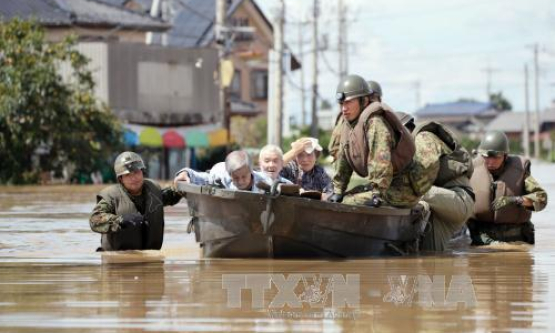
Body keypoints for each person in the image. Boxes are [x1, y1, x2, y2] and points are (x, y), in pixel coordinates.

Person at [328, 74, 419, 208]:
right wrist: (338, 191)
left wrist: (377, 193)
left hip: (402, 188)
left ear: (364, 101)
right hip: (384, 187)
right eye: (341, 103)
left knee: (348, 203)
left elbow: (380, 161)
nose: (344, 108)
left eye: (348, 102)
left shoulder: (375, 123)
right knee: (342, 198)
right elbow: (343, 161)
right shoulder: (349, 125)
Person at [396, 112, 475, 251]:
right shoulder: (406, 151)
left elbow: (426, 170)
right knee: (430, 252)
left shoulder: (423, 138)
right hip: (439, 205)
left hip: (458, 198)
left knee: (409, 192)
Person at [89, 151, 183, 251]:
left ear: (143, 172)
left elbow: (172, 195)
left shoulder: (154, 192)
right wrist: (120, 220)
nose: (134, 178)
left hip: (151, 259)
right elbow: (94, 220)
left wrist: (182, 186)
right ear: (121, 179)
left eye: (137, 172)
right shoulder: (111, 197)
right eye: (128, 175)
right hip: (117, 260)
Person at [467, 131, 547, 245]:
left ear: (505, 156)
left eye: (496, 157)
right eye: (486, 156)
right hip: (481, 237)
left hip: (517, 238)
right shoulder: (471, 169)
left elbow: (542, 199)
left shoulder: (521, 171)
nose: (491, 161)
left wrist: (514, 200)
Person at [329, 80, 383, 163]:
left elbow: (381, 168)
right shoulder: (348, 120)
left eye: (373, 98)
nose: (371, 102)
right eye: (342, 103)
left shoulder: (376, 122)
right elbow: (336, 149)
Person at [174, 150, 272, 192]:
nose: (241, 181)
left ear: (251, 172)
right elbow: (202, 178)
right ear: (229, 174)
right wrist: (185, 173)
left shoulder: (265, 181)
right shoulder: (220, 176)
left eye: (244, 177)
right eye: (236, 177)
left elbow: (284, 185)